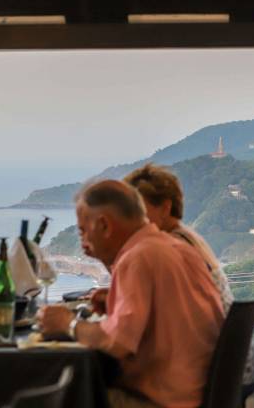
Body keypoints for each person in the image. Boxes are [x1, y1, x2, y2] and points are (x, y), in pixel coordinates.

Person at [38, 180, 225, 408]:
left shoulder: (138, 257)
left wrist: (67, 324)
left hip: (162, 401)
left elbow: (118, 343)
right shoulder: (178, 248)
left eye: (83, 231)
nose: (84, 242)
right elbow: (171, 314)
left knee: (57, 395)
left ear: (105, 225)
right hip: (200, 392)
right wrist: (115, 302)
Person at [122, 163, 233, 313]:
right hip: (218, 329)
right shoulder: (186, 236)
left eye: (139, 209)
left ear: (165, 208)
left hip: (204, 332)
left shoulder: (172, 246)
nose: (131, 218)